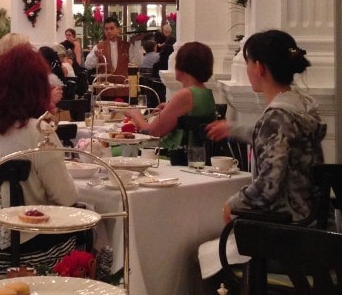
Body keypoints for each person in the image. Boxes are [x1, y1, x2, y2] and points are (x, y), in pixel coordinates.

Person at [0, 44, 80, 279]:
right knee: (88, 228)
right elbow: (66, 197)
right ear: (38, 86)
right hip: (23, 253)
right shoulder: (38, 132)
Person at [206, 30, 326, 224]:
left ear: (259, 67)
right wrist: (234, 129)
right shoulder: (301, 108)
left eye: (248, 62)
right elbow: (278, 138)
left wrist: (232, 204)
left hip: (286, 228)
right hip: (310, 218)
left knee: (203, 248)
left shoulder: (278, 116)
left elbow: (268, 186)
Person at [123, 40, 216, 151]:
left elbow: (151, 133)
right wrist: (169, 109)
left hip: (168, 154)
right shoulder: (205, 92)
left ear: (182, 65)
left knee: (112, 148)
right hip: (192, 153)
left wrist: (135, 114)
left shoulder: (186, 94)